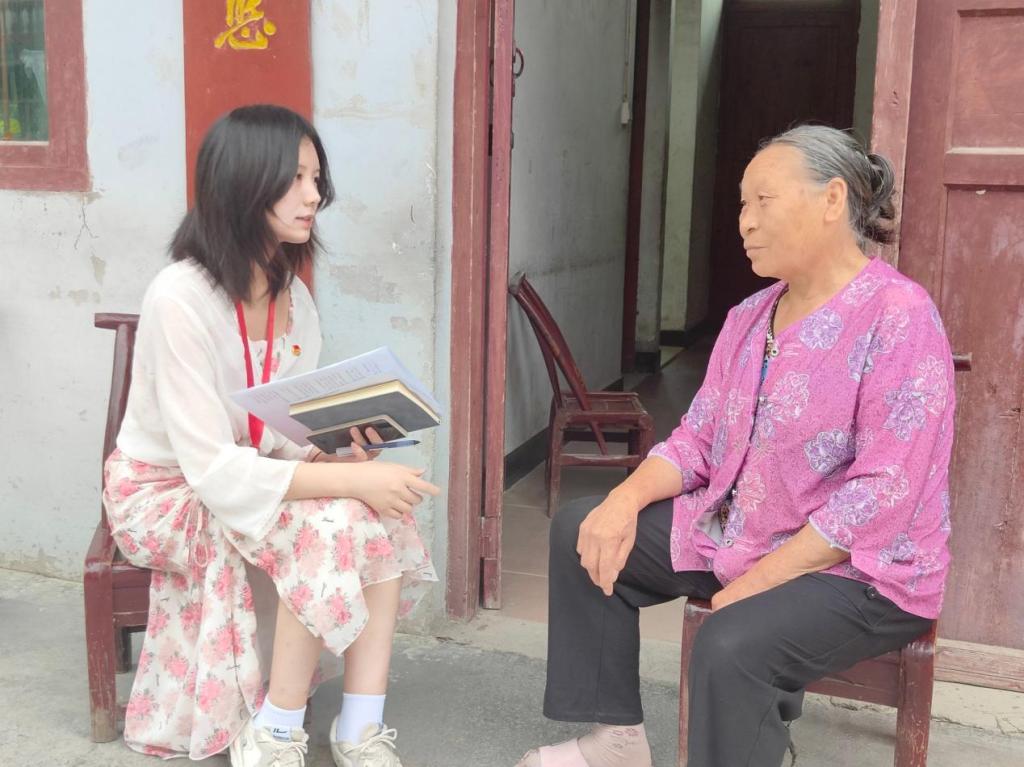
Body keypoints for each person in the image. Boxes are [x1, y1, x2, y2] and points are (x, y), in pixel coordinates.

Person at [517, 125, 956, 767]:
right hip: (744, 530)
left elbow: (883, 494)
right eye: (742, 204)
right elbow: (698, 439)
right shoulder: (750, 315)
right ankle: (616, 742)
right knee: (582, 530)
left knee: (731, 644)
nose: (745, 222)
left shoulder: (899, 315)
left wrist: (759, 581)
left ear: (833, 199)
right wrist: (622, 500)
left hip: (862, 570)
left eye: (763, 200)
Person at [103, 104, 440, 767]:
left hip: (244, 467)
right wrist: (348, 480)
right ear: (243, 183)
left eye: (316, 179)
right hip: (162, 492)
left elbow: (276, 431)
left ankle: (359, 726)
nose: (314, 196)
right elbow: (211, 468)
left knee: (378, 510)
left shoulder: (295, 299)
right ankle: (277, 732)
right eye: (296, 179)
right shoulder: (179, 298)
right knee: (332, 518)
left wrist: (337, 453)